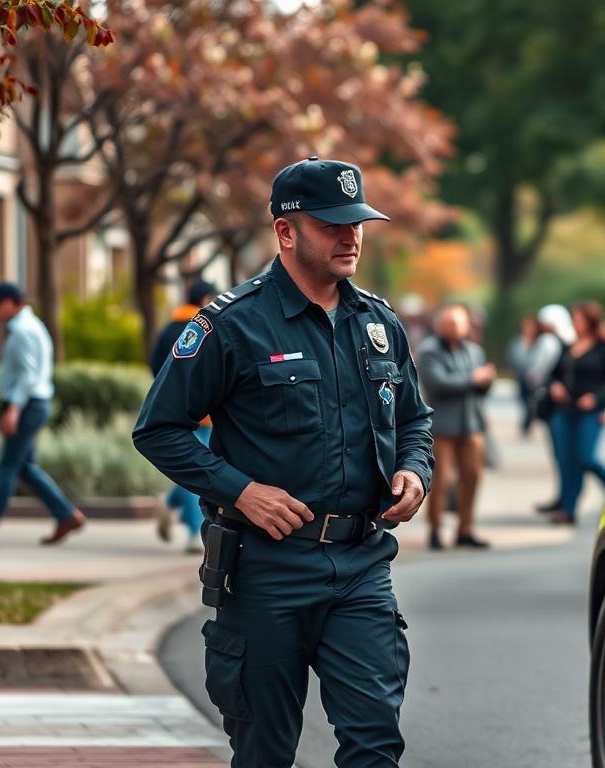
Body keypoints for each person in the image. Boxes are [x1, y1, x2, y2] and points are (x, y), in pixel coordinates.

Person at [132, 157, 433, 768]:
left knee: (375, 742)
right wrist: (240, 491)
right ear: (286, 231)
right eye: (332, 224)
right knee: (265, 750)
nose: (350, 236)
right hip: (266, 568)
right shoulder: (231, 325)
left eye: (357, 223)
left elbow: (414, 420)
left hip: (361, 563)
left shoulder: (379, 323)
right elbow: (158, 429)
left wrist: (414, 471)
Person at [0, 283, 86, 545]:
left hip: (27, 405)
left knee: (7, 466)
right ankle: (66, 515)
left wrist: (13, 409)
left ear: (10, 303)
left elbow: (28, 375)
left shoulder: (23, 331)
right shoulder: (30, 326)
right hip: (32, 403)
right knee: (25, 468)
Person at [148, 278, 219, 554]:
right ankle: (193, 532)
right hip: (205, 413)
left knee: (194, 468)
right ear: (203, 300)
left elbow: (156, 366)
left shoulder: (169, 330)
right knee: (198, 470)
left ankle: (170, 502)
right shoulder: (209, 327)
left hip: (176, 409)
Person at [418, 302, 496, 550]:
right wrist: (474, 379)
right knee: (441, 481)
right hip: (442, 426)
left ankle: (465, 529)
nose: (457, 327)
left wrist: (486, 381)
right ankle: (435, 528)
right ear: (440, 325)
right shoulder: (429, 350)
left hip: (471, 424)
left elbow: (481, 390)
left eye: (461, 322)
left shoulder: (474, 351)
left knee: (472, 477)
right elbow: (438, 384)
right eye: (452, 322)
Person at [546, 300, 605, 525]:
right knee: (566, 461)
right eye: (574, 319)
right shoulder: (568, 346)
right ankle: (568, 510)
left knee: (585, 458)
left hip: (591, 412)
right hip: (564, 411)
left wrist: (599, 400)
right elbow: (553, 374)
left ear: (591, 322)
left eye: (579, 319)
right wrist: (555, 386)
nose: (575, 323)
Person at [528, 303, 577, 513]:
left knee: (565, 455)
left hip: (558, 407)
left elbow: (535, 372)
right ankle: (564, 499)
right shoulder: (574, 342)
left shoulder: (549, 342)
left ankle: (566, 502)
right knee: (564, 456)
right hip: (568, 406)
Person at [506, 314, 540, 435]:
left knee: (532, 401)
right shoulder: (517, 341)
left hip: (535, 378)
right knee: (524, 401)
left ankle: (527, 423)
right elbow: (511, 357)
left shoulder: (540, 342)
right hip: (521, 376)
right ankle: (526, 423)